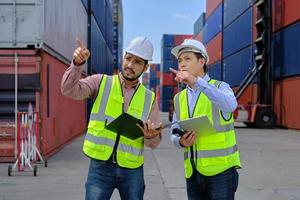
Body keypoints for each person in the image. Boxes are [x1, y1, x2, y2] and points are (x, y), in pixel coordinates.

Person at [61, 37, 162, 200]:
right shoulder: (100, 82)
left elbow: (154, 143)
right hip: (100, 165)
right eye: (128, 58)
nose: (130, 65)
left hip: (132, 169)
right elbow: (68, 90)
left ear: (146, 67)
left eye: (137, 62)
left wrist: (151, 136)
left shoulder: (149, 98)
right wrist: (76, 65)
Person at [169, 39, 241, 200]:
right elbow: (173, 132)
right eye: (180, 60)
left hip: (221, 172)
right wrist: (180, 142)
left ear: (201, 61)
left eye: (187, 59)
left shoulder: (220, 87)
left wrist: (197, 82)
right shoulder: (179, 98)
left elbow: (230, 105)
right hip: (193, 173)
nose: (182, 64)